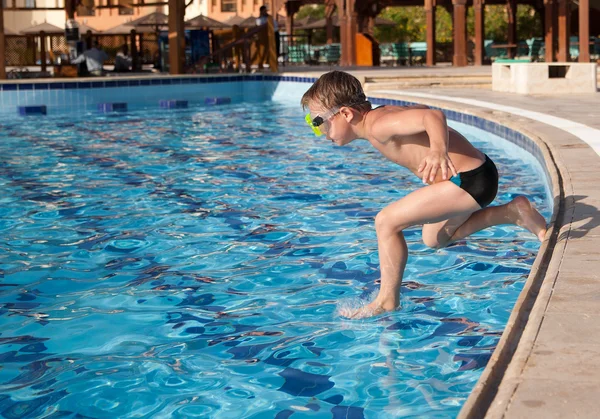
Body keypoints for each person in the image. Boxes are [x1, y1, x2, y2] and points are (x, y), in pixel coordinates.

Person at [301, 71, 547, 319]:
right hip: (474, 178)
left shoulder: (379, 125)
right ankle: (514, 212)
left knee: (386, 221)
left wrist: (438, 151)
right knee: (435, 239)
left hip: (470, 180)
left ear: (345, 113)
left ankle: (387, 300)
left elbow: (432, 115)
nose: (319, 130)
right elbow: (420, 109)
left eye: (318, 121)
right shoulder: (382, 115)